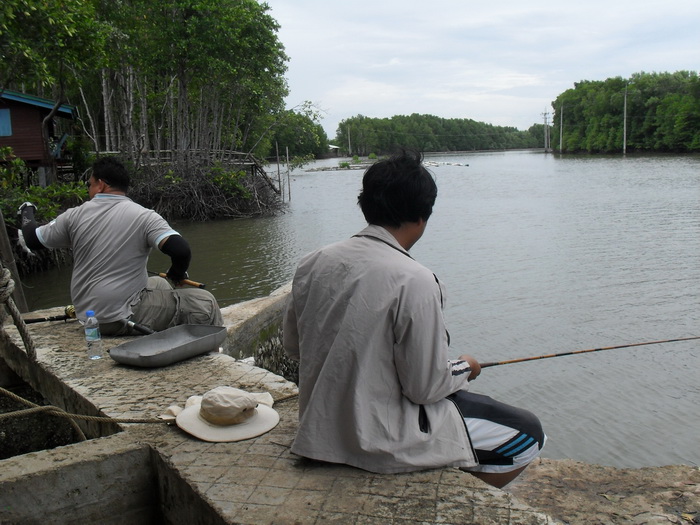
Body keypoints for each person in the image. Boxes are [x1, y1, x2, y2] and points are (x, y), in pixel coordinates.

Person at [283, 150, 545, 488]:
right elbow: (426, 386)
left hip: (318, 429)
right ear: (424, 215)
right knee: (528, 435)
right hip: (376, 442)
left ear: (366, 205)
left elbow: (294, 348)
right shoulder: (415, 279)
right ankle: (451, 495)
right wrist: (466, 366)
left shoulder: (311, 262)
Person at [18, 156, 223, 335]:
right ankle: (214, 356)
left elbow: (32, 239)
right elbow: (181, 250)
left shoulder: (73, 215)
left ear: (101, 184)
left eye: (89, 185)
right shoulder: (144, 216)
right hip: (118, 318)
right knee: (205, 302)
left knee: (160, 284)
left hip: (88, 316)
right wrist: (178, 273)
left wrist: (27, 209)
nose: (89, 189)